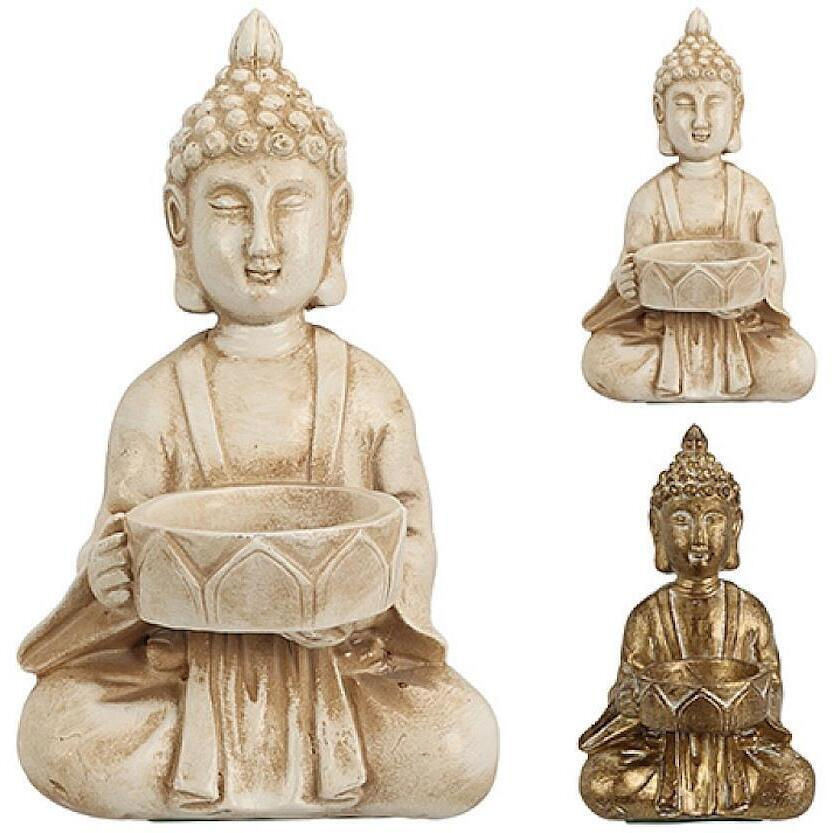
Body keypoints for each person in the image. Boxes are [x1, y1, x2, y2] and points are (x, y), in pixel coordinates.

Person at [17, 11, 497, 819]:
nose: (263, 243)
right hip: (187, 667)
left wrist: (360, 605)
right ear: (179, 222)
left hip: (340, 670)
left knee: (459, 744)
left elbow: (410, 536)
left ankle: (257, 783)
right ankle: (251, 780)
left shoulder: (368, 389)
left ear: (338, 216)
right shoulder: (155, 399)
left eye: (291, 205)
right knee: (58, 732)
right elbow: (119, 546)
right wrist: (108, 576)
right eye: (231, 208)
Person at [579, 426, 814, 819]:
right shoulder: (646, 615)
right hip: (664, 749)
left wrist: (755, 705)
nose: (699, 537)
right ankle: (687, 795)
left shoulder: (750, 611)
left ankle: (717, 794)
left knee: (794, 784)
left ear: (735, 527)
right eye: (682, 520)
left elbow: (771, 689)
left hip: (736, 749)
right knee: (601, 783)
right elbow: (627, 691)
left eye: (714, 520)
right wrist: (628, 702)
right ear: (656, 528)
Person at [582, 9, 814, 401]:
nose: (700, 121)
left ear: (737, 109)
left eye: (715, 103)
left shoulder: (752, 194)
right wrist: (625, 285)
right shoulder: (649, 198)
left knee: (796, 366)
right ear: (660, 111)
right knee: (601, 359)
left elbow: (773, 267)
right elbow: (632, 271)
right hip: (664, 332)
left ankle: (717, 379)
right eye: (685, 104)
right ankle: (681, 380)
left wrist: (751, 296)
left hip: (738, 331)